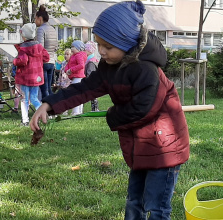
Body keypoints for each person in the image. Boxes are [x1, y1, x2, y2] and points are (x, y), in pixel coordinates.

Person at [30, 1, 189, 219]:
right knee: (134, 200)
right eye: (98, 44)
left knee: (156, 206)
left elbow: (144, 109)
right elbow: (85, 88)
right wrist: (49, 105)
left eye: (108, 46)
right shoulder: (109, 67)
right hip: (141, 147)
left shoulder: (146, 69)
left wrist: (112, 115)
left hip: (164, 148)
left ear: (128, 44)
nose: (101, 51)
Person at [13, 23, 50, 126]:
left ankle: (25, 120)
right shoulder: (39, 46)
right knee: (34, 98)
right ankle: (44, 114)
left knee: (24, 99)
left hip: (25, 77)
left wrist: (15, 61)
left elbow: (23, 61)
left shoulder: (23, 49)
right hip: (36, 77)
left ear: (23, 36)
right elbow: (46, 58)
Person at [35, 5, 58, 99]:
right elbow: (56, 47)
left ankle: (47, 110)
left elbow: (40, 48)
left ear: (40, 19)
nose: (35, 21)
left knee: (44, 90)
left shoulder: (41, 29)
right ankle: (53, 109)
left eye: (35, 19)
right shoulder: (53, 29)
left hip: (43, 62)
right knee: (48, 88)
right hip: (51, 62)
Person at [64, 40, 87, 115]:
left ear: (78, 48)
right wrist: (66, 70)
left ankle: (76, 112)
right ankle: (78, 111)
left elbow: (81, 65)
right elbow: (68, 64)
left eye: (73, 47)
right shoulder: (73, 56)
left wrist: (71, 70)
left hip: (78, 77)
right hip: (74, 77)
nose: (71, 48)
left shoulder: (79, 55)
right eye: (71, 47)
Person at [85, 41, 99, 112]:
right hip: (94, 80)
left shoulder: (91, 61)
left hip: (91, 81)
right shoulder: (93, 59)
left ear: (90, 51)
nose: (84, 51)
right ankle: (94, 108)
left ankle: (95, 109)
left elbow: (90, 72)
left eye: (86, 49)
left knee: (93, 95)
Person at [57, 48, 72, 115]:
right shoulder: (63, 63)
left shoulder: (72, 63)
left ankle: (66, 109)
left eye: (67, 54)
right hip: (63, 82)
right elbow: (60, 72)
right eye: (65, 54)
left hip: (68, 82)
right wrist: (59, 82)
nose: (66, 56)